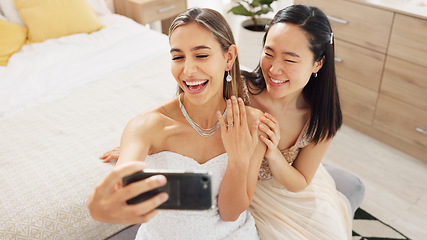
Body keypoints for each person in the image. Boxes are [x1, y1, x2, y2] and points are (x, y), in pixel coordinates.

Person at [91, 7, 267, 239]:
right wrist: (106, 203)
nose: (188, 70)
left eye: (201, 55)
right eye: (178, 57)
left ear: (229, 57)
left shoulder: (252, 123)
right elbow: (123, 188)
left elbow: (230, 213)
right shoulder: (147, 126)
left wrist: (238, 160)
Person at [244, 4, 352, 239]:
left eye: (290, 60)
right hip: (236, 184)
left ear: (318, 63)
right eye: (269, 52)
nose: (273, 69)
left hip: (283, 192)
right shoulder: (238, 89)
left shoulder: (321, 117)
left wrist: (273, 154)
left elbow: (300, 180)